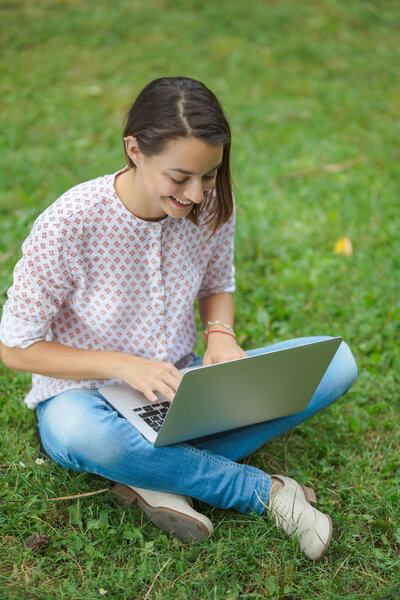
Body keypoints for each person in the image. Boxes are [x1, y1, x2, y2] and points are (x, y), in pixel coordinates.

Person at [0, 76, 357, 561]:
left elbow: (217, 285)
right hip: (83, 400)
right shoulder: (70, 223)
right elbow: (15, 348)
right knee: (80, 435)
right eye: (179, 177)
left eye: (208, 175)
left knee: (337, 363)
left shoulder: (209, 205)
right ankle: (266, 494)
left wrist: (222, 338)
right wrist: (125, 365)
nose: (195, 193)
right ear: (134, 150)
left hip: (182, 388)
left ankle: (148, 473)